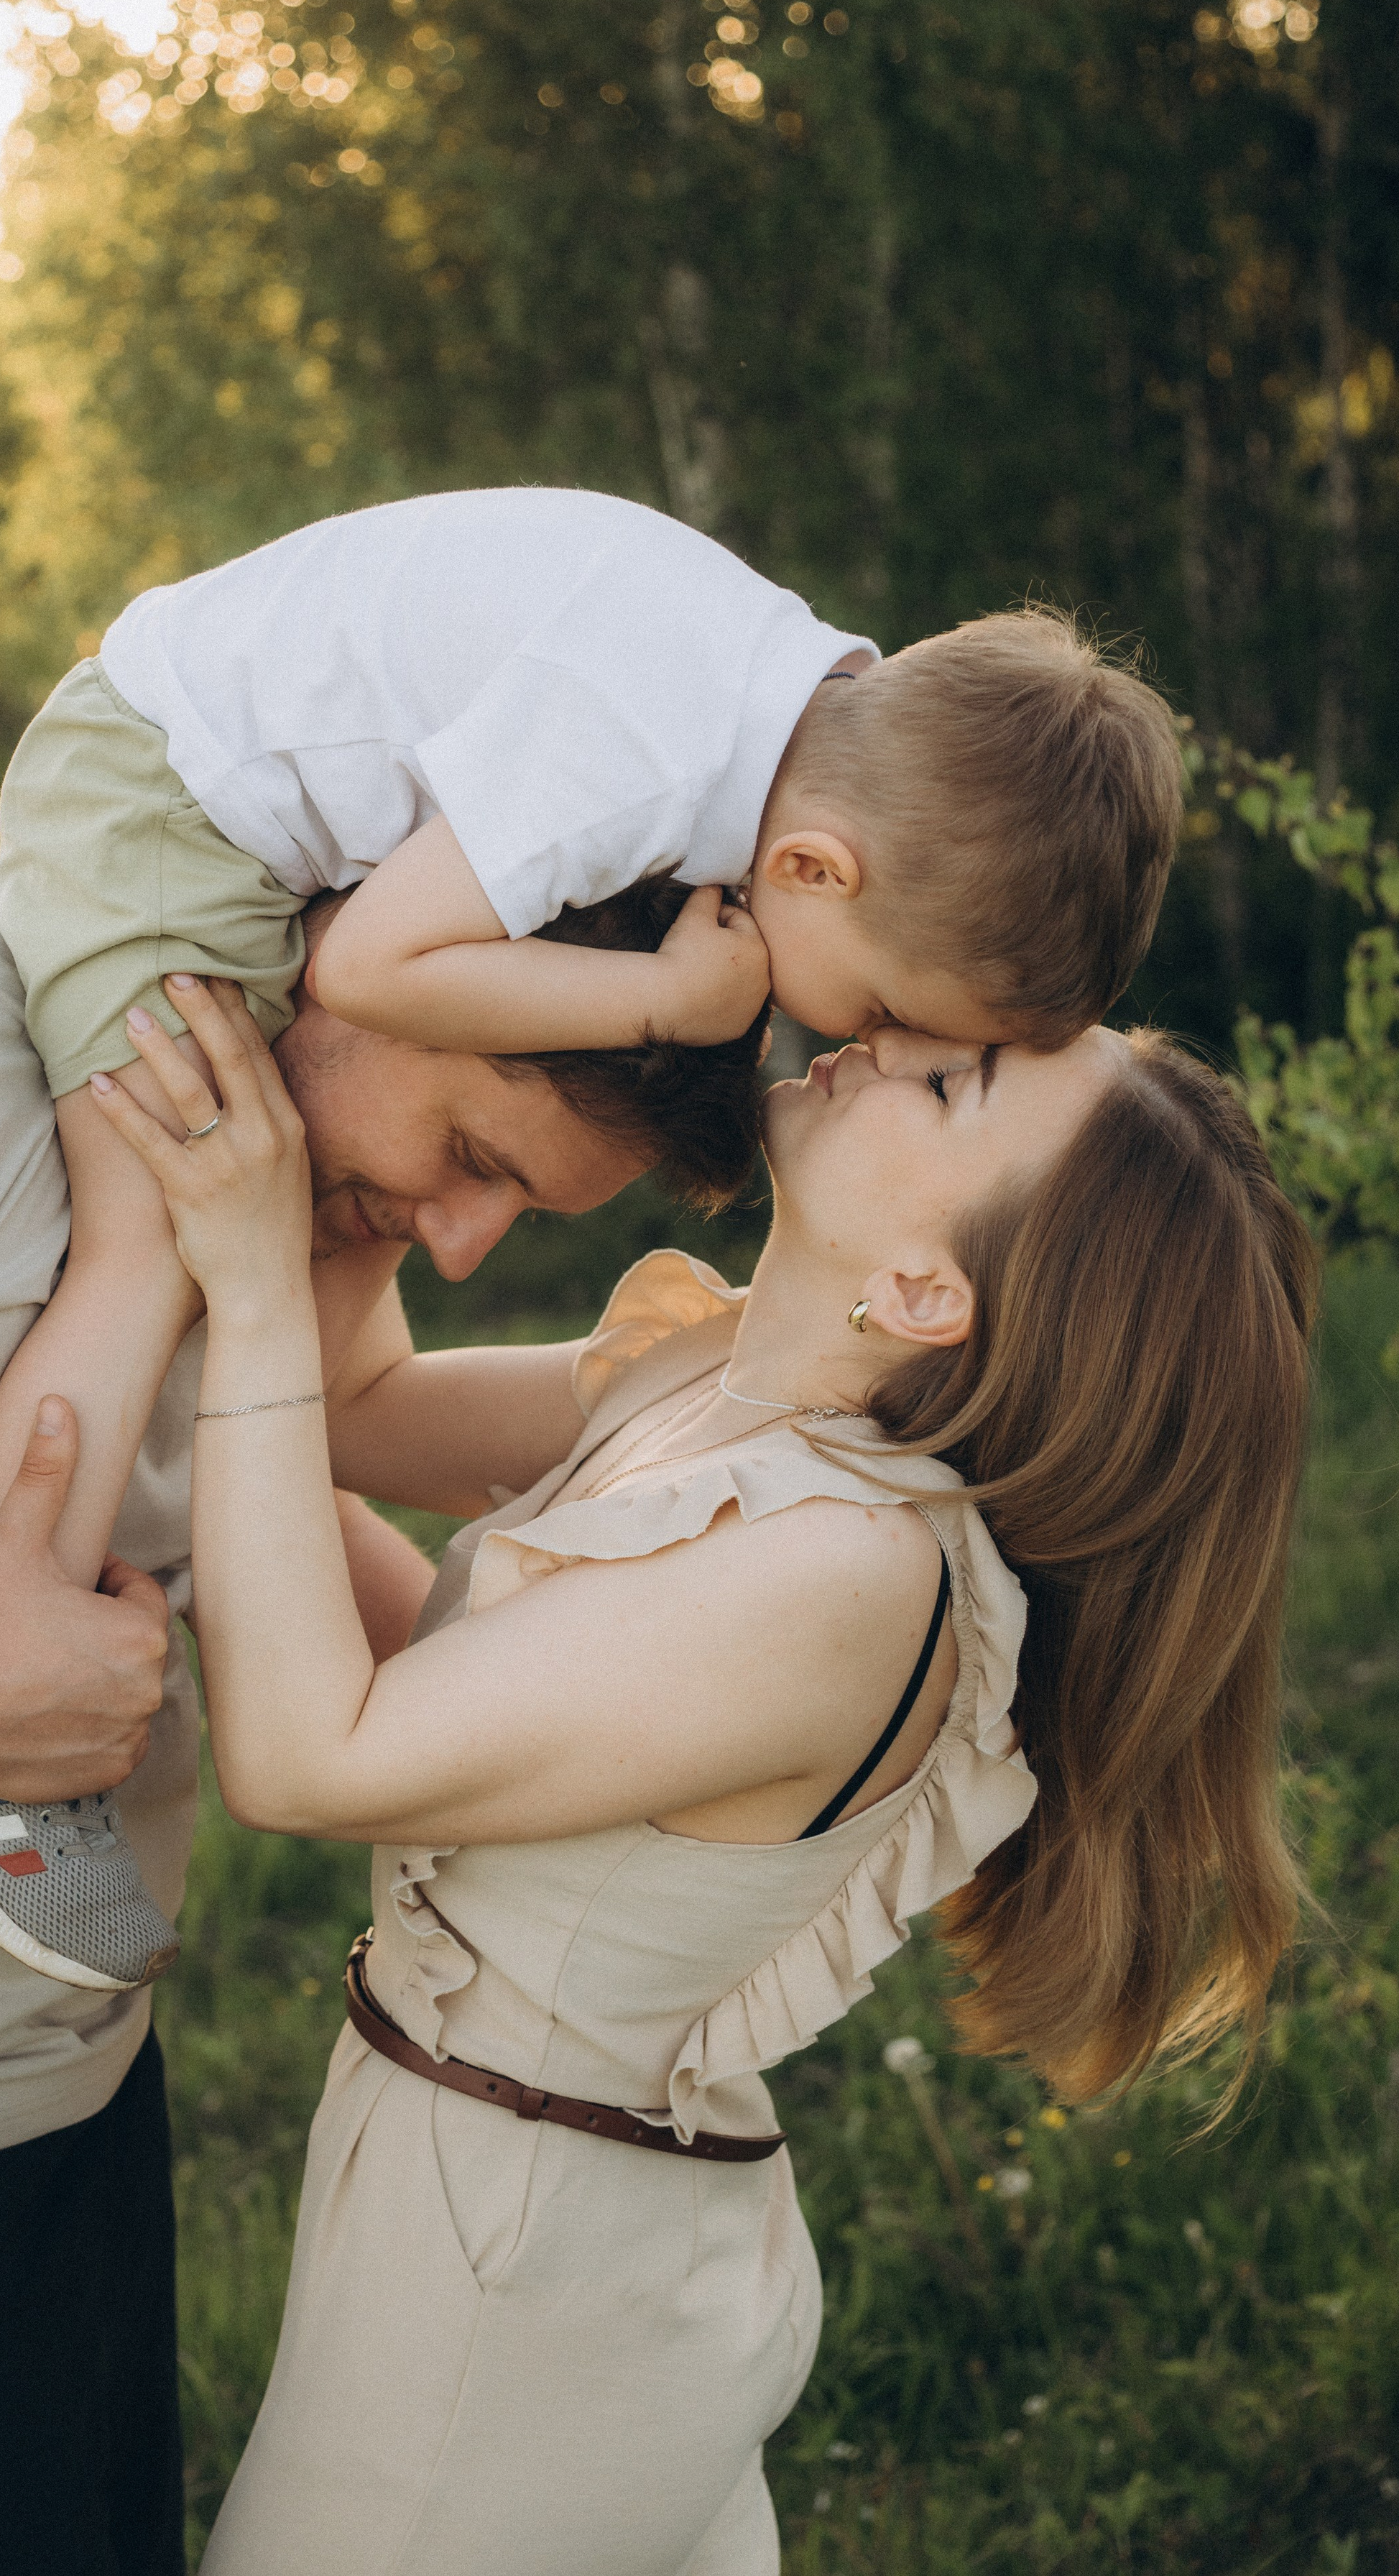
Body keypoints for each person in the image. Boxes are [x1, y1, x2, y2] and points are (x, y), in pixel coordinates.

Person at [0, 876, 762, 2576]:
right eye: (478, 1158)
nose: (459, 1240)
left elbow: (296, 1455)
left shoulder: (296, 1160)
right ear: (378, 964)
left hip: (65, 2068)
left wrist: (743, 1493)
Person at [0, 487, 1188, 1988]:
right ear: (818, 866)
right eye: (896, 1016)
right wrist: (649, 1010)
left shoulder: (776, 715)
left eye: (921, 1055)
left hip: (192, 786)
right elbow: (373, 965)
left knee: (158, 1245)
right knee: (136, 1251)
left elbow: (360, 1419)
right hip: (161, 795)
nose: (859, 1046)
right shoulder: (646, 744)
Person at [93, 973, 1316, 2576]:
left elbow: (309, 1754)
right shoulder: (724, 1378)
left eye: (949, 1088)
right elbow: (364, 1415)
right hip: (485, 2197)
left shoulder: (850, 1575)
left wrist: (254, 1280)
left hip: (521, 2290)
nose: (889, 1034)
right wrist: (398, 1093)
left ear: (924, 1291)